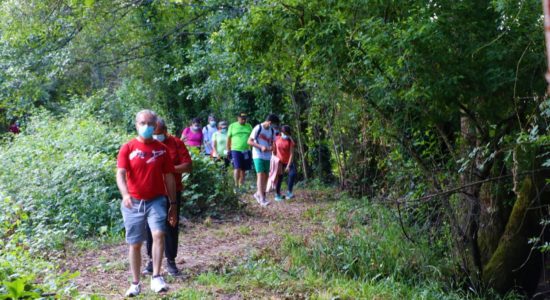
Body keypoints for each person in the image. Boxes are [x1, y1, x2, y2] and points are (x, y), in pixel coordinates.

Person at [116, 110, 177, 297]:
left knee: (159, 234)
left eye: (150, 123)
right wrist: (125, 194)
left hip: (156, 200)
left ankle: (157, 276)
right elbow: (120, 173)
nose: (146, 126)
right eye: (143, 123)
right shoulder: (128, 147)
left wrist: (173, 203)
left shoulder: (161, 150)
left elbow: (169, 177)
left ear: (155, 125)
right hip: (133, 202)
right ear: (136, 124)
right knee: (135, 243)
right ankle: (135, 283)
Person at [142, 118, 192, 276]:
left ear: (165, 131)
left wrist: (168, 169)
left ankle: (171, 261)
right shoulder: (147, 144)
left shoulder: (176, 143)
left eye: (158, 133)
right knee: (151, 228)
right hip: (153, 192)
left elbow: (188, 166)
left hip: (173, 191)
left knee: (171, 226)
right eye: (153, 133)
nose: (156, 136)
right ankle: (151, 260)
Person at [248, 114, 280, 206]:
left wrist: (271, 148)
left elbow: (274, 143)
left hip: (267, 155)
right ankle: (262, 198)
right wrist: (260, 146)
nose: (275, 127)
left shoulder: (272, 130)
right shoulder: (258, 128)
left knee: (266, 175)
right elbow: (249, 141)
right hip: (258, 154)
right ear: (270, 122)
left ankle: (259, 194)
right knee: (260, 174)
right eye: (275, 125)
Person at [227, 112, 253, 192]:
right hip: (235, 149)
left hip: (246, 150)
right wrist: (228, 150)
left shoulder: (249, 126)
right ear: (238, 118)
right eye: (242, 119)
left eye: (245, 119)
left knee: (243, 169)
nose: (244, 120)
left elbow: (251, 138)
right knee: (237, 167)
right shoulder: (232, 126)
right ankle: (236, 185)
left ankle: (241, 185)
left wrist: (251, 150)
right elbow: (228, 138)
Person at [273, 125, 297, 201]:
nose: (285, 135)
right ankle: (277, 194)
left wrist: (288, 165)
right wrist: (274, 160)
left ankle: (289, 192)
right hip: (279, 161)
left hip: (288, 161)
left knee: (292, 174)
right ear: (281, 132)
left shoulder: (290, 141)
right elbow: (273, 150)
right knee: (279, 178)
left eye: (287, 134)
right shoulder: (276, 139)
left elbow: (291, 154)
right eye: (284, 133)